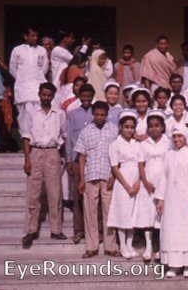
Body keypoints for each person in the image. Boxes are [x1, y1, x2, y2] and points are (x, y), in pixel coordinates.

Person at [21, 83, 66, 249]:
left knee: (55, 193)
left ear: (53, 96)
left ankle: (56, 230)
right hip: (36, 152)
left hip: (53, 152)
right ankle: (30, 230)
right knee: (33, 194)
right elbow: (26, 136)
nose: (46, 98)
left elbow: (64, 134)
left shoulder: (59, 114)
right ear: (39, 94)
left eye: (49, 95)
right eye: (44, 95)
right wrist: (27, 159)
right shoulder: (31, 113)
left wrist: (60, 153)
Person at [75, 101, 120, 259]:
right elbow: (82, 156)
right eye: (97, 114)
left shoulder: (114, 130)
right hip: (90, 174)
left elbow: (118, 155)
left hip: (108, 175)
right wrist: (81, 179)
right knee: (90, 212)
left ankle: (110, 246)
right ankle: (91, 247)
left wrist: (114, 176)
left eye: (103, 115)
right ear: (92, 114)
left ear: (107, 115)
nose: (100, 117)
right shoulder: (86, 131)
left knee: (109, 211)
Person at [155, 123, 188, 278]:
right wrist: (160, 198)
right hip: (170, 198)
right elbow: (163, 177)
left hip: (186, 199)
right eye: (174, 136)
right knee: (171, 230)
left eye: (180, 136)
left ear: (186, 137)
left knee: (187, 229)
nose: (177, 139)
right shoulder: (168, 155)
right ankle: (173, 265)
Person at [107, 109, 143, 259]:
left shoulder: (137, 144)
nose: (129, 130)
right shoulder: (115, 145)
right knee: (122, 214)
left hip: (136, 179)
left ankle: (130, 245)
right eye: (126, 126)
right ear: (121, 127)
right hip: (122, 181)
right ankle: (122, 246)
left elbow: (142, 164)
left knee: (133, 215)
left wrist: (137, 182)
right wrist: (127, 186)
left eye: (131, 127)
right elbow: (115, 167)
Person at [65, 83, 95, 244]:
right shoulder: (72, 114)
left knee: (93, 196)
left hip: (93, 160)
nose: (86, 99)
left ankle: (95, 230)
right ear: (79, 97)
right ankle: (78, 230)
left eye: (89, 96)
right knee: (78, 195)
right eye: (83, 96)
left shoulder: (96, 113)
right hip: (77, 160)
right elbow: (69, 138)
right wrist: (69, 159)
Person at [138, 110, 170, 262]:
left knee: (162, 215)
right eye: (151, 126)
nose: (154, 128)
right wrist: (145, 182)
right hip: (148, 183)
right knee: (148, 214)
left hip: (164, 182)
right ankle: (149, 245)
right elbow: (141, 165)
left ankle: (161, 246)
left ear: (163, 127)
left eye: (157, 125)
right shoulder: (144, 144)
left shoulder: (169, 142)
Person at [9, 27, 49, 136]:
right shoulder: (17, 50)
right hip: (22, 87)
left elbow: (44, 68)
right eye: (32, 35)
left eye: (36, 36)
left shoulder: (42, 50)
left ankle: (37, 139)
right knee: (24, 114)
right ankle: (26, 139)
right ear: (25, 36)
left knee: (37, 112)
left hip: (37, 85)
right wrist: (22, 79)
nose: (35, 38)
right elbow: (12, 68)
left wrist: (36, 78)